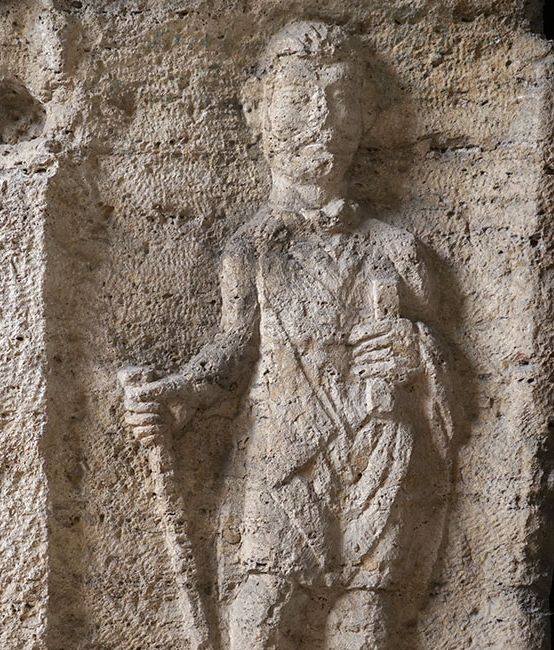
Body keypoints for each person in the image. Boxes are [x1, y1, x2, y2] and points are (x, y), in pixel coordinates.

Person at [122, 21, 453, 650]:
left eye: (341, 98)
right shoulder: (252, 247)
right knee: (260, 614)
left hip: (379, 449)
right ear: (259, 113)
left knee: (366, 623)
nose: (322, 119)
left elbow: (458, 376)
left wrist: (417, 349)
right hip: (284, 453)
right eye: (299, 97)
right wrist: (172, 396)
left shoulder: (397, 249)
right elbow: (232, 351)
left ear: (366, 115)